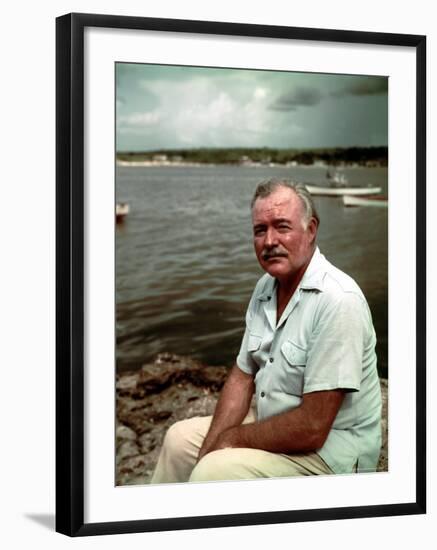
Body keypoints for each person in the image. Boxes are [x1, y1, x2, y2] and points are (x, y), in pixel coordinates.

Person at [151, 179, 382, 484]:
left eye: (282, 227)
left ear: (311, 230)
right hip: (276, 420)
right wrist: (212, 445)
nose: (269, 240)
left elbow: (313, 427)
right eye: (260, 230)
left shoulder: (338, 301)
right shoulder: (266, 287)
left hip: (330, 455)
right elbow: (242, 375)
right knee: (179, 440)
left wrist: (231, 440)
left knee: (214, 471)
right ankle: (162, 526)